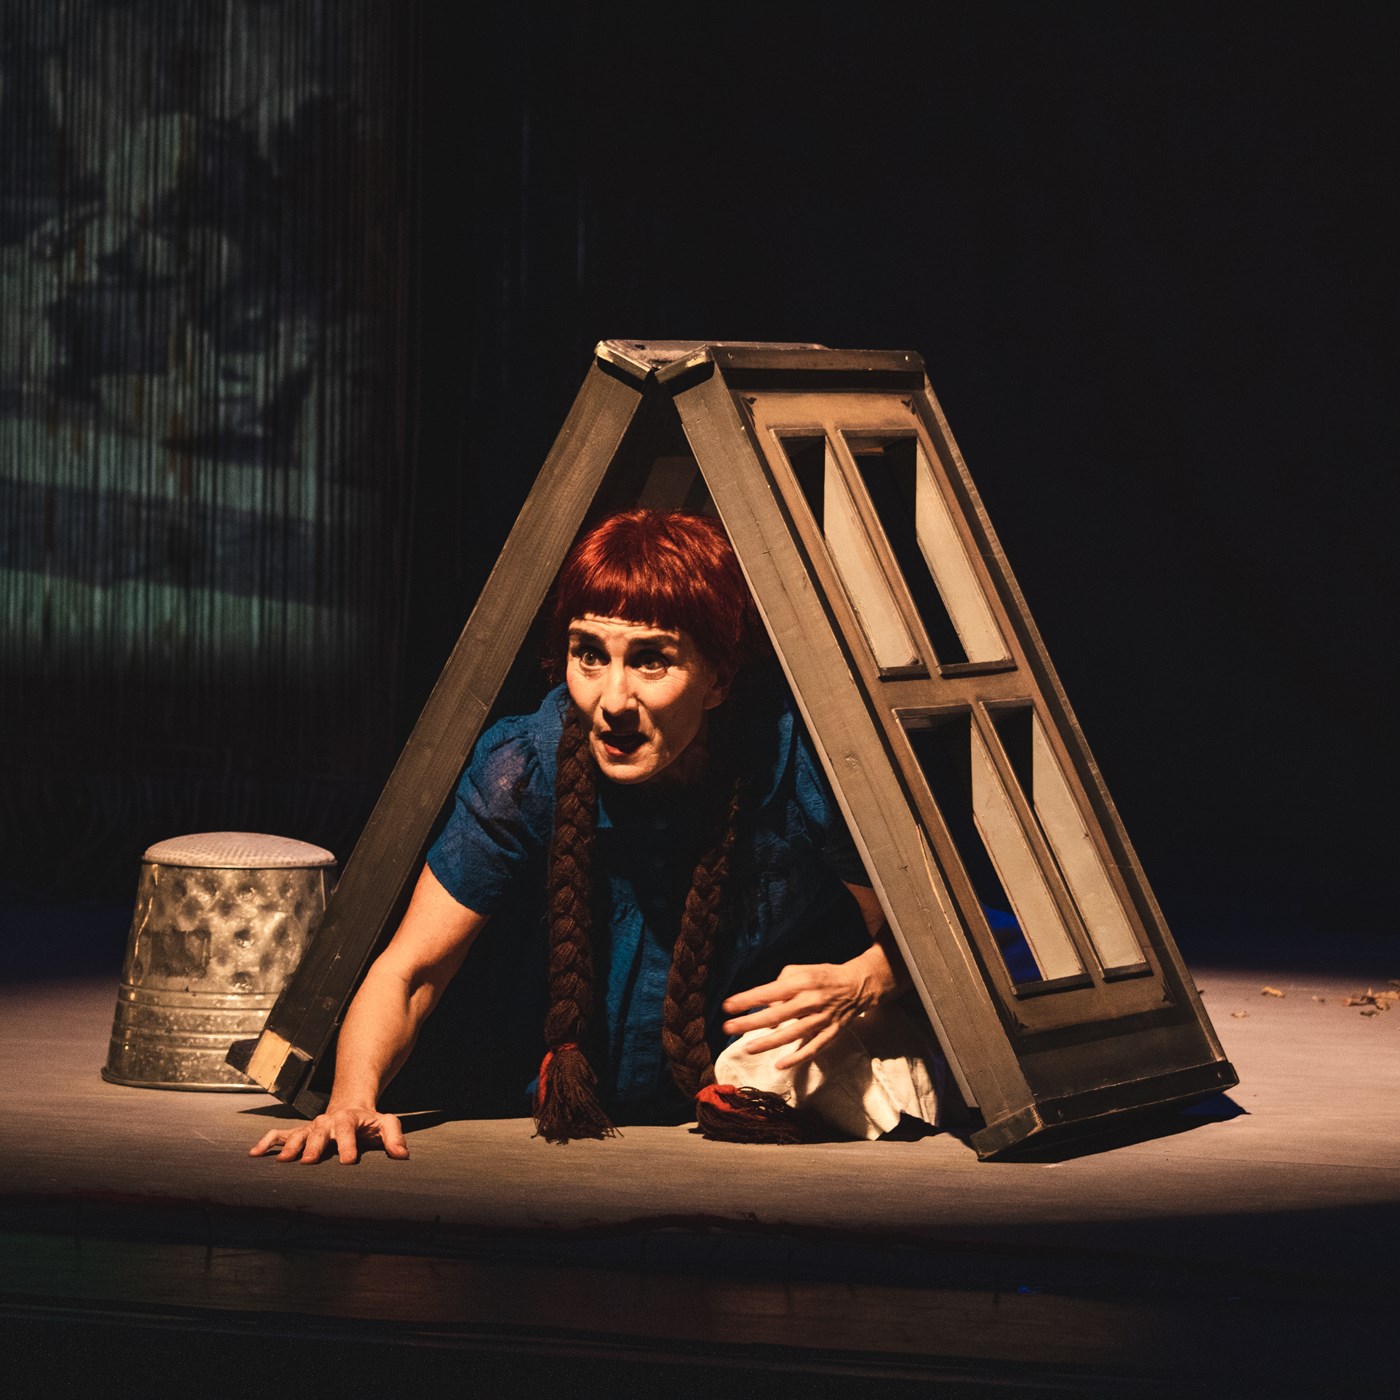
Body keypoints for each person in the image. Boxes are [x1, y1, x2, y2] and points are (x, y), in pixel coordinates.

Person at [251, 509, 941, 1164]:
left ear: (719, 678)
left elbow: (937, 944)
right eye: (589, 655)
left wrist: (863, 980)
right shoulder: (525, 767)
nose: (612, 701)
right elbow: (412, 970)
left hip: (753, 1123)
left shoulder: (797, 766)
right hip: (558, 1131)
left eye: (651, 660)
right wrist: (352, 1100)